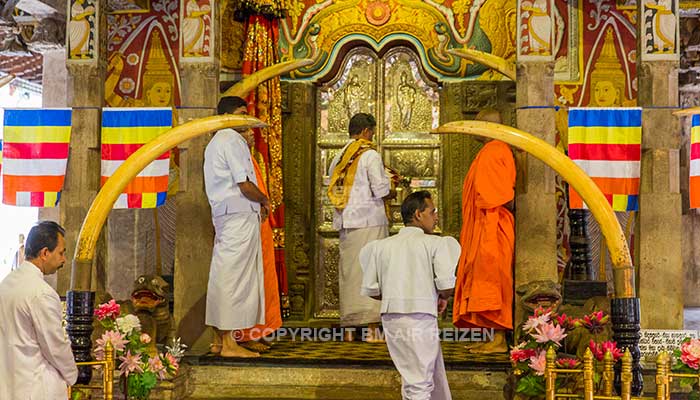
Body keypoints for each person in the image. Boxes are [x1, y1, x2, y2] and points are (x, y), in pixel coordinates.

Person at [359, 191, 460, 399]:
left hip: (391, 317)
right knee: (420, 381)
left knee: (412, 377)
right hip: (420, 317)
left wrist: (398, 294)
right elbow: (446, 285)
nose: (436, 216)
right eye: (432, 212)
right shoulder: (435, 243)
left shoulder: (382, 246)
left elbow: (373, 290)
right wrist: (443, 296)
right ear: (418, 214)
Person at [204, 96, 270, 358]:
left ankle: (220, 341)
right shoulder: (231, 139)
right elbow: (244, 183)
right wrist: (264, 200)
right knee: (234, 277)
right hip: (238, 215)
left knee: (225, 274)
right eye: (241, 114)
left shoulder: (216, 142)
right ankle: (229, 344)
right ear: (229, 117)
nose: (246, 119)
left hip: (228, 214)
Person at [452, 109, 515, 354]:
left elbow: (498, 195)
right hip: (483, 224)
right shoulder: (488, 151)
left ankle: (498, 339)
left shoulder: (495, 150)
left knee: (493, 280)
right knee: (481, 280)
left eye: (475, 124)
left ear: (487, 126)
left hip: (493, 226)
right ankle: (489, 336)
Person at [327, 113, 393, 341]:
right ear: (366, 131)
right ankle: (372, 330)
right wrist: (392, 186)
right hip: (370, 222)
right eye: (372, 132)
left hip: (347, 222)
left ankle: (348, 330)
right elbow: (381, 190)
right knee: (371, 272)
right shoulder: (369, 155)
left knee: (350, 274)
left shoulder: (339, 156)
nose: (372, 136)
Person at [0, 221, 78, 399]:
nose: (64, 259)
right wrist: (73, 375)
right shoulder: (42, 293)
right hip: (36, 388)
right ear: (44, 253)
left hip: (8, 386)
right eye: (61, 252)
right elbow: (55, 346)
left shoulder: (5, 284)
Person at [235, 113, 283, 354]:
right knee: (247, 282)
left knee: (262, 279)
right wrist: (263, 199)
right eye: (243, 131)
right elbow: (243, 186)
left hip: (257, 225)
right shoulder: (231, 154)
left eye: (249, 131)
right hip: (241, 225)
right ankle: (243, 334)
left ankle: (258, 330)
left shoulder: (249, 157)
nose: (249, 136)